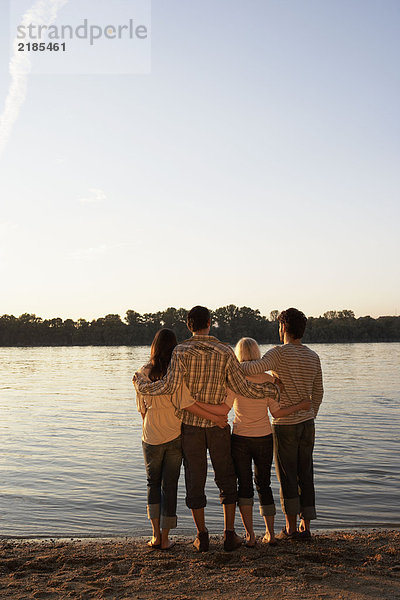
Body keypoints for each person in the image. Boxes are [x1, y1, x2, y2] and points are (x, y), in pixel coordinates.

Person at [134, 306, 280, 552]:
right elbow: (241, 386)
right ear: (210, 323)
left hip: (190, 427)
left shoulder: (180, 351)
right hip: (218, 427)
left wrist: (142, 386)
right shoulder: (225, 351)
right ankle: (229, 534)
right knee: (226, 478)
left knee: (195, 480)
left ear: (189, 325)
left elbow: (168, 386)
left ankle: (202, 536)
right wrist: (271, 389)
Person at [135, 328, 230, 551]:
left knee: (152, 484)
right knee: (169, 486)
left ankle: (155, 535)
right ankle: (166, 537)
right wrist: (217, 419)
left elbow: (141, 409)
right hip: (174, 434)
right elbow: (187, 404)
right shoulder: (177, 373)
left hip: (150, 435)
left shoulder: (141, 373)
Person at [240, 308, 323, 540]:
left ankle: (290, 528)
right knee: (306, 473)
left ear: (284, 328)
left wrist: (234, 364)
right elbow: (318, 392)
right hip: (307, 423)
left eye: (279, 326)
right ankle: (306, 526)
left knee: (287, 474)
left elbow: (252, 367)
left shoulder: (278, 353)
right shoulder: (313, 356)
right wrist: (311, 414)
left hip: (284, 423)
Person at [228, 337, 312, 547]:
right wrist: (301, 406)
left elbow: (225, 406)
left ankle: (250, 536)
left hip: (240, 438)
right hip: (264, 437)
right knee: (264, 484)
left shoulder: (234, 379)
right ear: (258, 354)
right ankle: (270, 534)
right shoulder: (269, 379)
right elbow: (278, 413)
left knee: (244, 486)